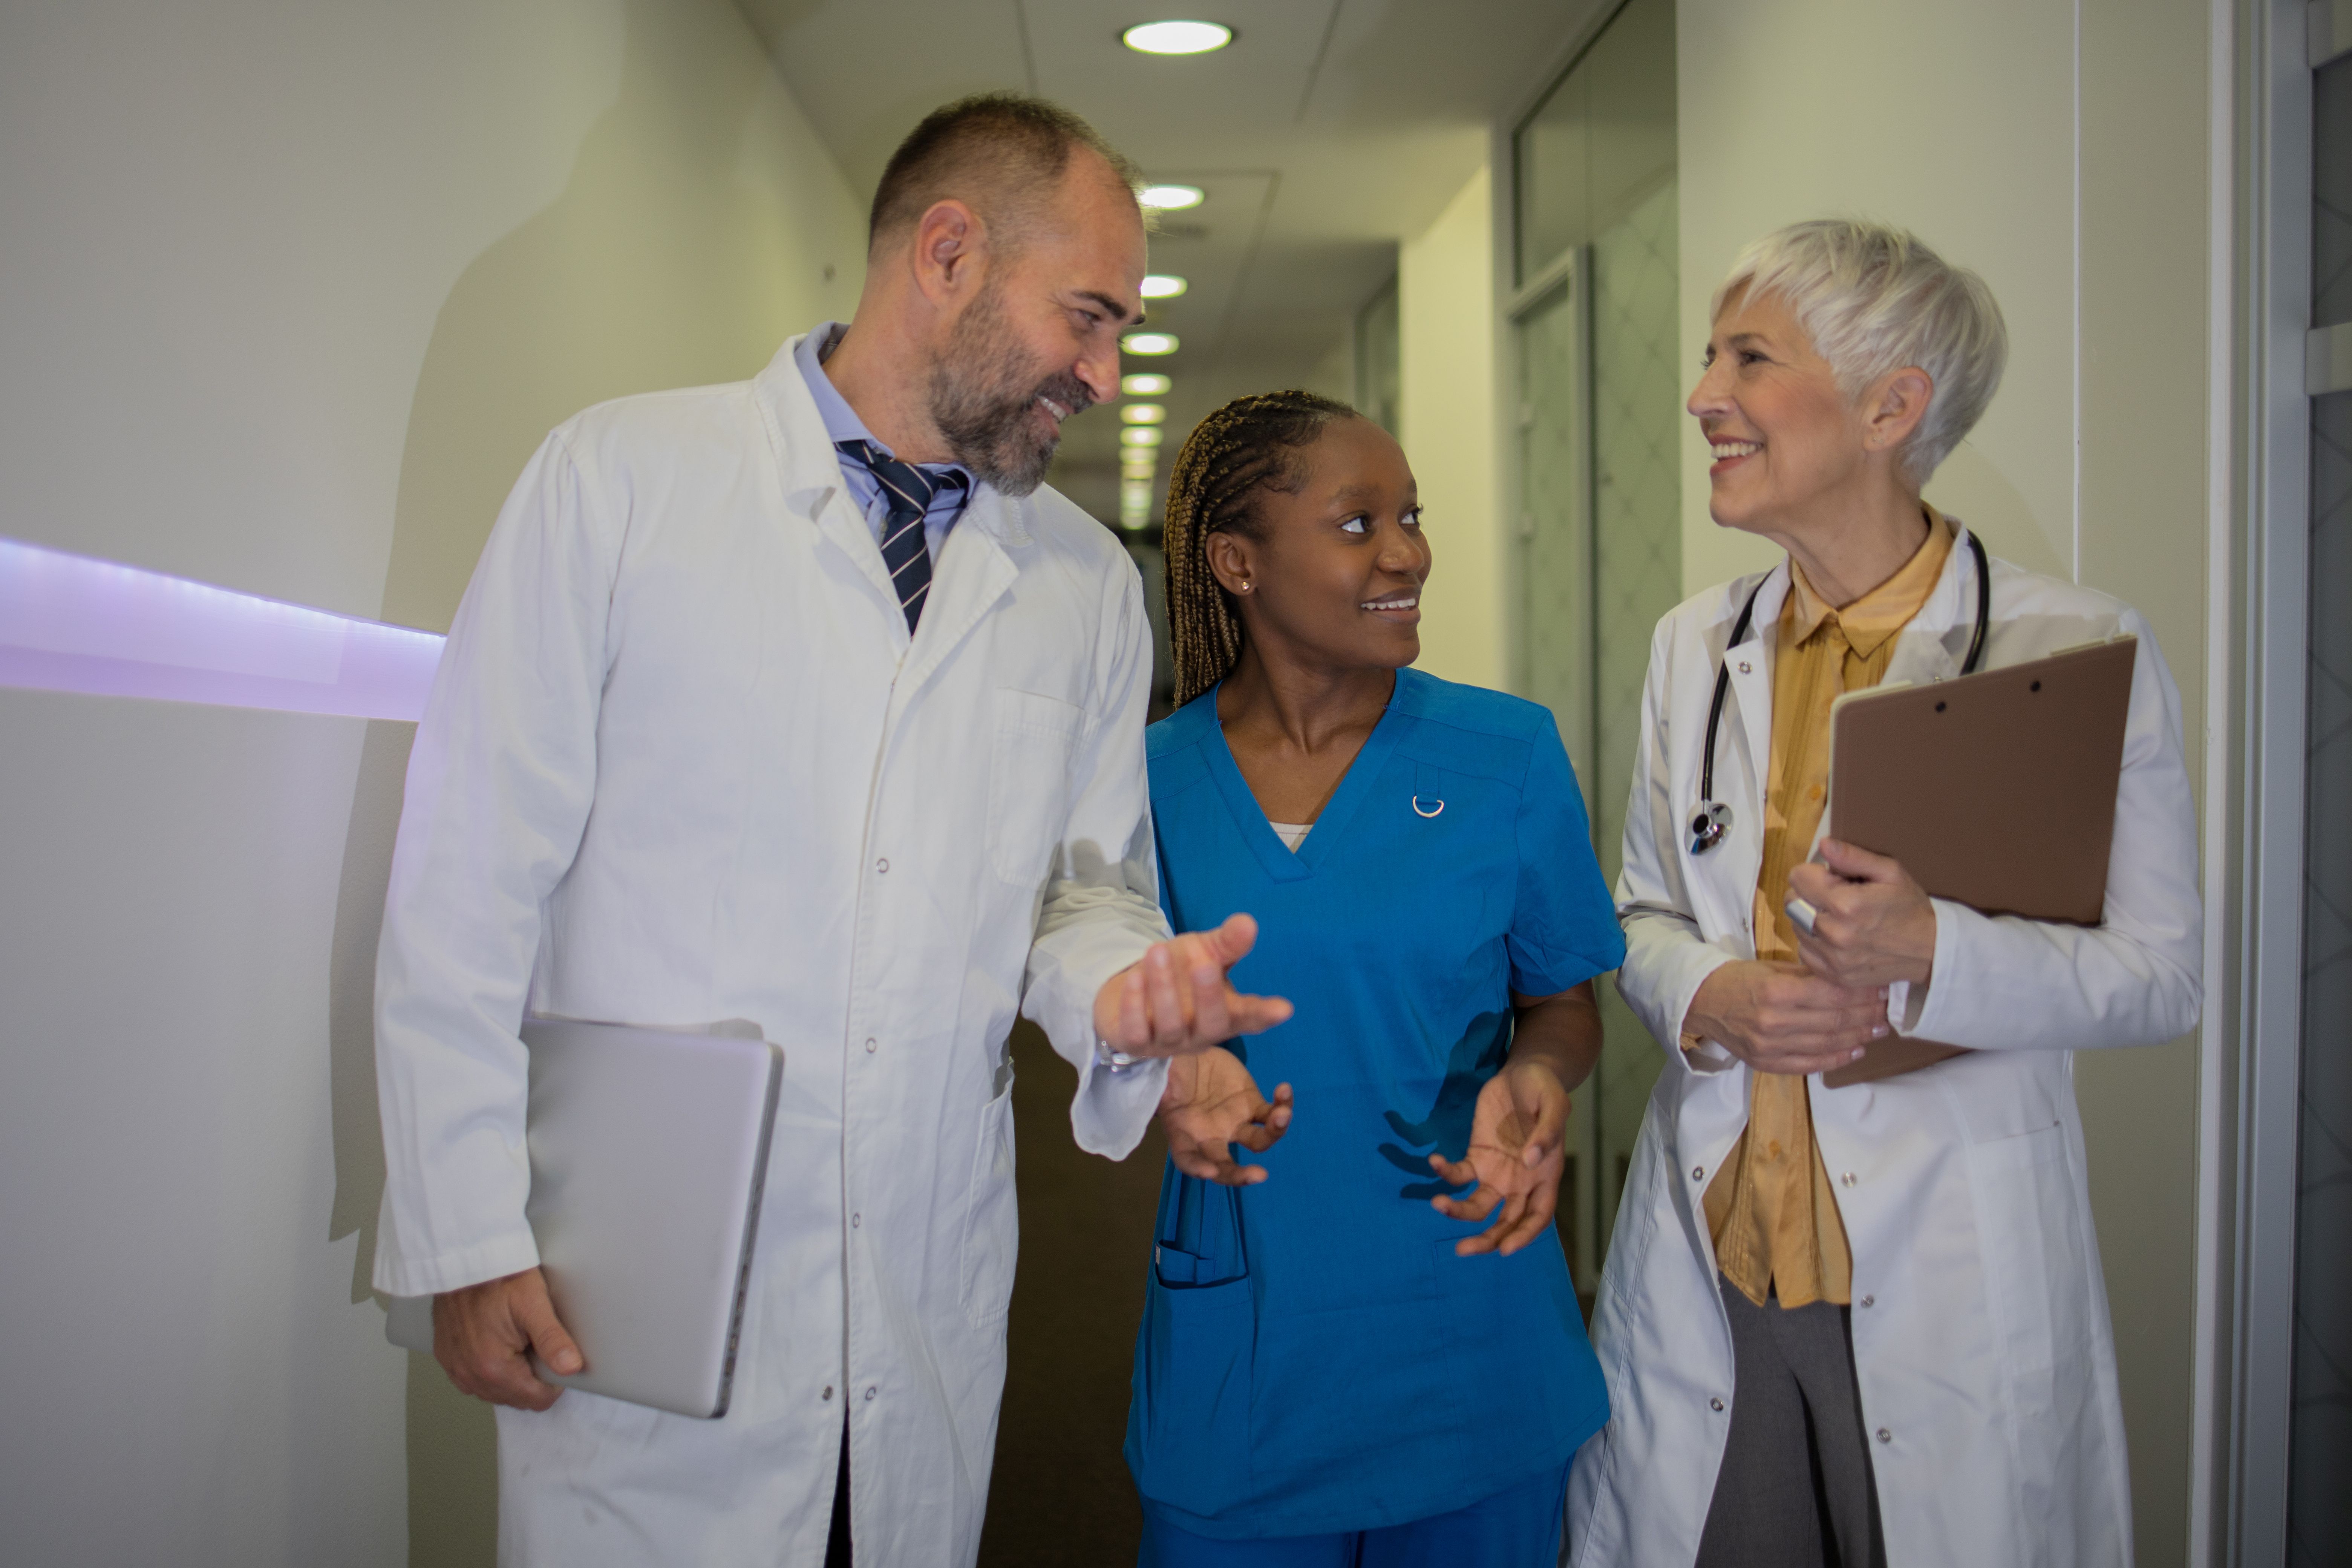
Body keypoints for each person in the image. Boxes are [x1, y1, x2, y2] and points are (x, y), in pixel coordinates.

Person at [369, 95, 1292, 1568]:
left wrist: (1123, 987)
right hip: (645, 1269)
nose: (1108, 376)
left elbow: (1082, 889)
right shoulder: (620, 484)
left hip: (922, 1284)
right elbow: (469, 877)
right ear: (947, 254)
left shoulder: (1076, 583)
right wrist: (468, 1230)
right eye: (1087, 318)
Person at [1564, 220, 2203, 1568]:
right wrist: (1711, 994)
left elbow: (2163, 975)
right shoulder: (1697, 645)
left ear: (1890, 405)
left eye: (1749, 358)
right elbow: (1635, 915)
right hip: (1720, 1275)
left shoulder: (2073, 650)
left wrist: (1935, 952)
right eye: (1708, 358)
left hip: (1939, 1286)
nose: (1702, 398)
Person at [1125, 391, 1626, 1566]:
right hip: (1246, 1342)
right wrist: (1160, 1071)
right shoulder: (1143, 783)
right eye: (1359, 523)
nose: (1410, 552)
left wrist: (1541, 1082)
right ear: (1236, 562)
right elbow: (1093, 1002)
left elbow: (1561, 1002)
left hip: (1467, 1322)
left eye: (1411, 515)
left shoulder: (1506, 755)